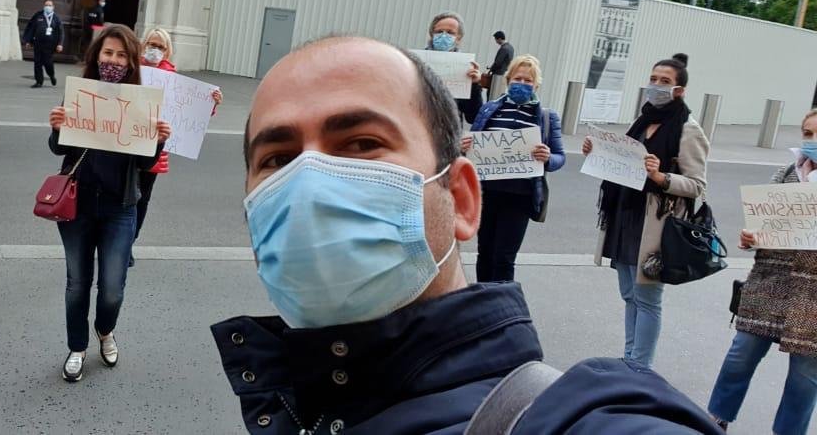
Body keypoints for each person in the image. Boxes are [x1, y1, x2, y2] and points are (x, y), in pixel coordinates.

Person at [214, 35, 721, 433]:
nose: (310, 183)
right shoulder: (290, 404)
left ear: (459, 199)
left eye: (363, 144)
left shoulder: (573, 421)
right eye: (277, 159)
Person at [47, 24, 171, 383]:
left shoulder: (141, 103)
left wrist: (158, 141)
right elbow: (59, 149)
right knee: (77, 283)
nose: (113, 61)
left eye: (121, 55)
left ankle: (105, 330)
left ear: (131, 61)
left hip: (120, 208)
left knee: (113, 287)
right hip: (78, 205)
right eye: (108, 53)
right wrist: (57, 128)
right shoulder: (80, 95)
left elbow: (145, 164)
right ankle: (77, 347)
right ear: (97, 56)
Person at [585, 53, 709, 369]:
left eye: (664, 81)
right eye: (653, 79)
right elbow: (621, 159)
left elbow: (696, 185)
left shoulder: (688, 129)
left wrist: (660, 177)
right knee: (630, 294)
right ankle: (631, 358)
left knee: (648, 299)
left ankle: (640, 365)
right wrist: (596, 152)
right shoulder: (642, 120)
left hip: (655, 223)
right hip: (625, 214)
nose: (656, 86)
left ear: (679, 90)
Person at [707, 109, 817, 435]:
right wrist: (750, 238)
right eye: (807, 133)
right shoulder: (786, 174)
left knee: (804, 377)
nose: (811, 140)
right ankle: (716, 419)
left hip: (813, 296)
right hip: (769, 283)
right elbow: (761, 226)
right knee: (740, 355)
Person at [461, 55, 564, 282]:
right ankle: (485, 297)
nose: (522, 84)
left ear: (536, 85)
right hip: (487, 193)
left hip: (520, 197)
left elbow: (560, 158)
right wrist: (465, 147)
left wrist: (548, 158)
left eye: (528, 80)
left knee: (504, 258)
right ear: (508, 81)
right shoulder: (489, 110)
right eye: (518, 79)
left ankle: (502, 300)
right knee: (485, 253)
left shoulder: (547, 117)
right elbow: (471, 146)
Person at [132, 28, 223, 267]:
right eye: (151, 44)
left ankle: (129, 241)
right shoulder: (133, 70)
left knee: (142, 199)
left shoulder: (173, 78)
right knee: (125, 197)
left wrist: (210, 103)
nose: (154, 50)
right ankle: (118, 240)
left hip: (155, 150)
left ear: (167, 51)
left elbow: (189, 113)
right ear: (143, 45)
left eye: (160, 47)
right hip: (129, 146)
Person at [425, 12, 483, 123]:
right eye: (439, 32)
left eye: (450, 32)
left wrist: (474, 85)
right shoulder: (416, 63)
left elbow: (473, 117)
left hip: (448, 130)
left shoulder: (466, 68)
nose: (444, 36)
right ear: (432, 35)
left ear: (459, 38)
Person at [22, 0, 63, 88]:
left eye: (50, 5)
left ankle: (51, 75)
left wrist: (60, 44)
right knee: (37, 63)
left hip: (50, 45)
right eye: (46, 5)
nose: (48, 7)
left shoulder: (56, 18)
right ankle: (39, 81)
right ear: (44, 6)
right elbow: (31, 27)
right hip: (38, 43)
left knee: (48, 63)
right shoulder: (38, 15)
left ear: (53, 7)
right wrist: (28, 41)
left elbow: (60, 32)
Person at [487, 30, 514, 101]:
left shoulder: (504, 49)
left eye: (496, 40)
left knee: (491, 94)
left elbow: (498, 62)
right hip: (505, 73)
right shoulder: (511, 48)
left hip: (498, 75)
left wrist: (490, 70)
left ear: (499, 39)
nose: (496, 42)